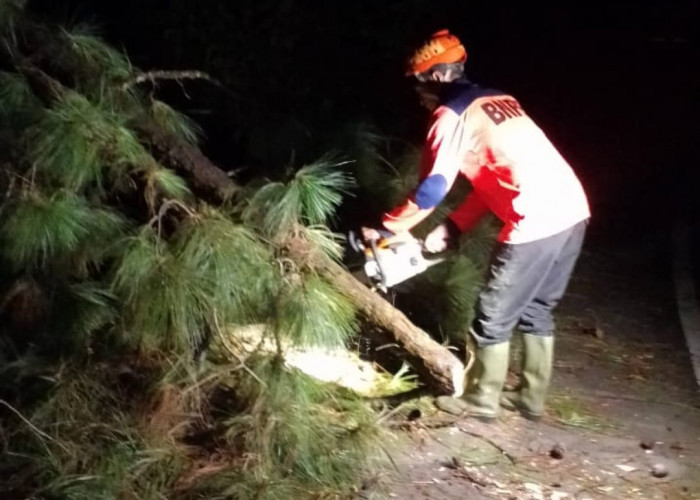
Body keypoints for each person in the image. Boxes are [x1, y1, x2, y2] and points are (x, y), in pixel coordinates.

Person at [367, 29, 590, 421]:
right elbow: (495, 178)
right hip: (572, 208)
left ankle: (480, 400)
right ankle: (530, 398)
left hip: (535, 218)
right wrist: (454, 226)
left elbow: (432, 189)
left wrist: (389, 228)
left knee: (492, 313)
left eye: (419, 83)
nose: (418, 94)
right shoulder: (500, 100)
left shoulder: (450, 116)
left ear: (435, 77)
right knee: (537, 309)